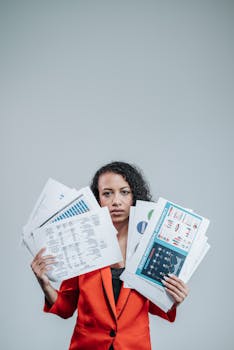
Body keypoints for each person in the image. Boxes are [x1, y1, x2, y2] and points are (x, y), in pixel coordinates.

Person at [31, 161, 189, 350]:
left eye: (124, 192)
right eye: (107, 193)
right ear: (97, 199)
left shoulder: (149, 246)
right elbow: (66, 308)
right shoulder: (81, 244)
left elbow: (156, 306)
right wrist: (45, 285)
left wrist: (174, 298)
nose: (116, 201)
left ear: (134, 196)